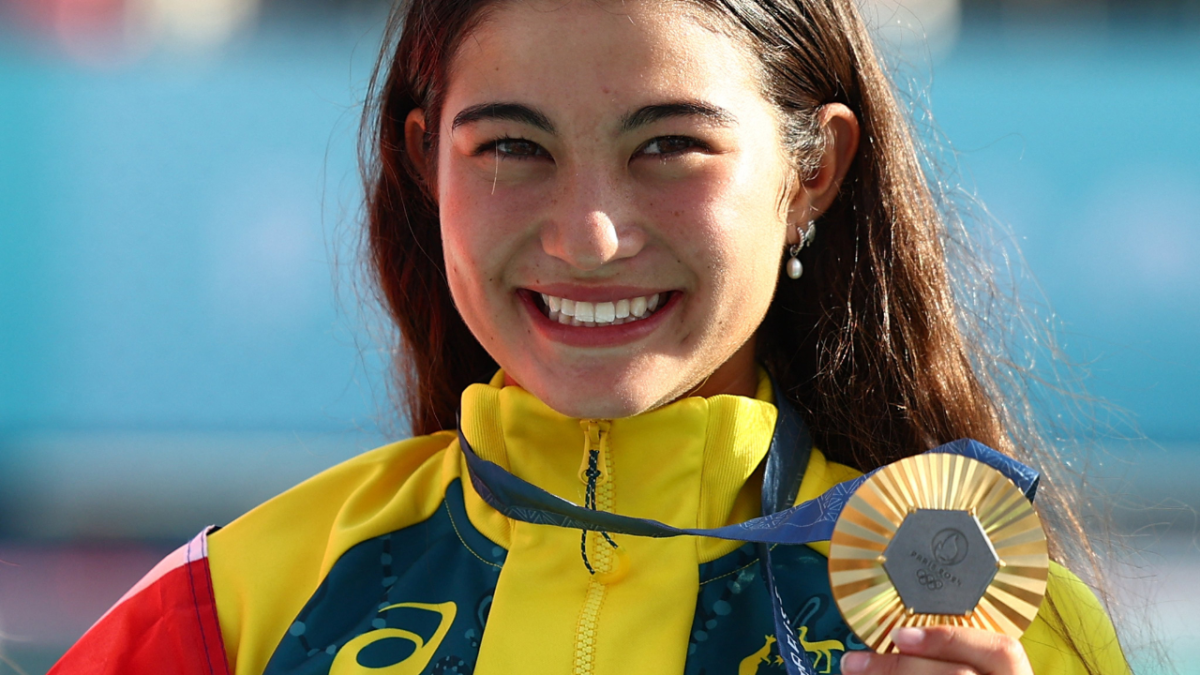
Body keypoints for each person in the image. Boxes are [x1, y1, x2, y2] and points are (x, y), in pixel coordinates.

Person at [49, 1, 1131, 674]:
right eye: (513, 147)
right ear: (427, 163)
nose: (589, 236)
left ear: (814, 170)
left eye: (669, 145)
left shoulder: (986, 623)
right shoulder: (235, 609)